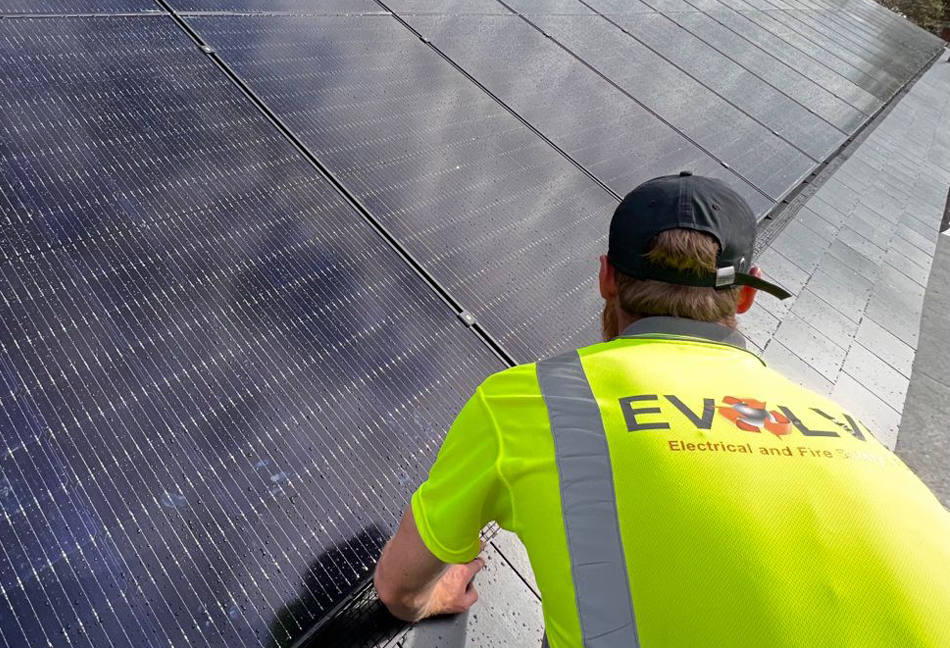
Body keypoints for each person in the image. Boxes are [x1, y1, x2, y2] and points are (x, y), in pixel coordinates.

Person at [373, 172, 950, 647]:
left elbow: (398, 590)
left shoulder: (527, 401)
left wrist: (433, 597)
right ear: (749, 292)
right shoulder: (847, 425)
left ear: (606, 277)